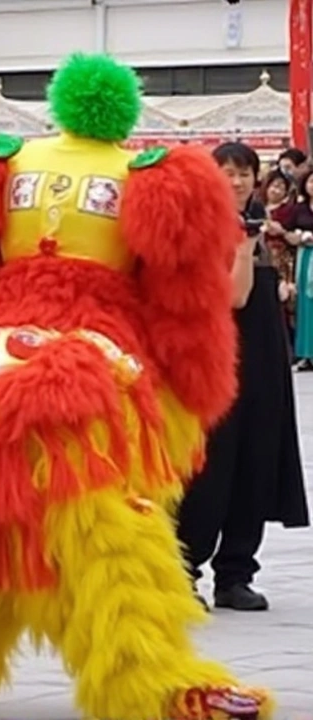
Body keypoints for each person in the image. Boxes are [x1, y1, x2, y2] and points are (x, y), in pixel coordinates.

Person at [0, 55, 273, 720]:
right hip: (85, 372)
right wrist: (187, 401)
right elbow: (186, 315)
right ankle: (152, 685)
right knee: (109, 532)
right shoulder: (156, 176)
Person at [176, 142, 309, 613]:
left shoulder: (259, 220)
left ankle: (236, 573)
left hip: (264, 357)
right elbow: (232, 297)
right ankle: (183, 570)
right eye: (226, 172)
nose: (236, 181)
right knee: (208, 464)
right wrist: (246, 245)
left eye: (244, 172)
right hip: (213, 358)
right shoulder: (198, 229)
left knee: (256, 457)